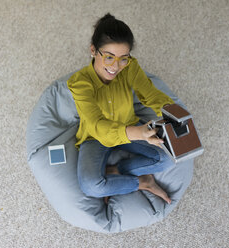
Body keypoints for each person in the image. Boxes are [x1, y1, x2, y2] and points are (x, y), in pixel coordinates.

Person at [67, 13, 175, 204]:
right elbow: (97, 125)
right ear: (93, 50)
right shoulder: (79, 83)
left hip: (129, 124)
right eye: (109, 57)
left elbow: (150, 94)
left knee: (169, 157)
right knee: (91, 186)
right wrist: (139, 133)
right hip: (96, 137)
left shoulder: (130, 68)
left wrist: (172, 113)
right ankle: (142, 182)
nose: (116, 67)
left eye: (123, 58)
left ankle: (116, 171)